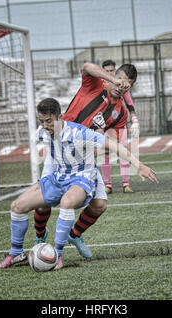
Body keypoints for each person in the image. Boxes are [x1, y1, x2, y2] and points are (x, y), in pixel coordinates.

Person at [0, 98, 158, 270]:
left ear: (60, 117)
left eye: (49, 121)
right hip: (58, 177)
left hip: (82, 177)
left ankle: (58, 254)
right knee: (17, 206)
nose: (45, 125)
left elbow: (115, 146)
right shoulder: (41, 133)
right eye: (42, 121)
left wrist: (139, 165)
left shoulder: (79, 132)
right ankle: (16, 254)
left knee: (70, 202)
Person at [33, 61, 140, 260]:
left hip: (83, 161)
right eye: (120, 81)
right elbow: (87, 66)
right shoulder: (94, 86)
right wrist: (113, 80)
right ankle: (40, 238)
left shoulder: (121, 113)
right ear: (113, 77)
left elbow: (111, 144)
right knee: (43, 202)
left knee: (100, 205)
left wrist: (95, 149)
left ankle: (75, 235)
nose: (121, 86)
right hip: (58, 152)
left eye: (127, 85)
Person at [100, 59, 139, 194]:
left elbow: (130, 105)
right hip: (104, 127)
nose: (110, 73)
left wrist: (134, 120)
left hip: (119, 127)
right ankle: (107, 185)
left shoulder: (123, 88)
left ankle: (126, 184)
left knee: (122, 153)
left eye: (112, 70)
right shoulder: (100, 89)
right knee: (104, 155)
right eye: (107, 71)